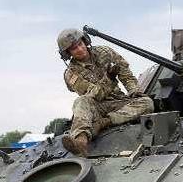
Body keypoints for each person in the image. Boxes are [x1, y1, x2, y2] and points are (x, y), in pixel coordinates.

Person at [57, 28, 154, 157]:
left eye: (80, 44)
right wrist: (109, 79)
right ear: (68, 53)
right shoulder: (71, 74)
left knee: (147, 103)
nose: (80, 49)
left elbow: (126, 75)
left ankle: (104, 122)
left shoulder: (105, 52)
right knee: (81, 101)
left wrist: (134, 90)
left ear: (85, 41)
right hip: (96, 108)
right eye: (74, 48)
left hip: (119, 103)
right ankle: (80, 142)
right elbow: (94, 95)